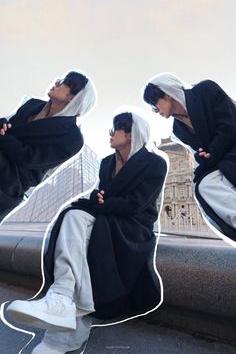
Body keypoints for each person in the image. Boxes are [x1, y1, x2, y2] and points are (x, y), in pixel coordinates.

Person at [6, 110, 168, 354]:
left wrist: (105, 202)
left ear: (132, 133)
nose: (111, 133)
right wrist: (99, 199)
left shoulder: (155, 163)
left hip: (133, 228)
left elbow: (137, 203)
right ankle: (61, 303)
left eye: (116, 129)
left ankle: (61, 332)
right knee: (72, 215)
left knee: (81, 233)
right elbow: (102, 194)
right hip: (108, 219)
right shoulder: (106, 163)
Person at [143, 72, 236, 243]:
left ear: (167, 94)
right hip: (219, 160)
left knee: (207, 183)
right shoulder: (177, 129)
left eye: (155, 105)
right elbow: (199, 150)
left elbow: (229, 123)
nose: (156, 111)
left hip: (231, 147)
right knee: (203, 185)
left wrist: (211, 152)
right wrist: (203, 155)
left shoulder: (205, 90)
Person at [0, 70, 96, 220]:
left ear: (73, 98)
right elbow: (10, 127)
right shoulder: (32, 104)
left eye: (66, 82)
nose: (57, 83)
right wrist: (2, 124)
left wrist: (3, 136)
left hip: (12, 180)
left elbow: (30, 158)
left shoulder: (72, 138)